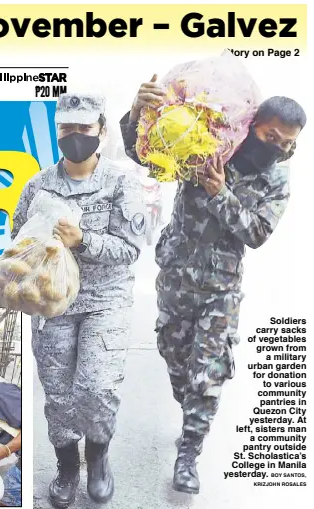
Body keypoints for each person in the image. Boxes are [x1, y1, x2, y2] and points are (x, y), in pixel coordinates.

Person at [121, 77, 306, 494]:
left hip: (222, 288)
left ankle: (189, 452)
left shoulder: (276, 179)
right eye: (269, 134)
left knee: (208, 373)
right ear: (254, 123)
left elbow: (257, 233)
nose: (275, 145)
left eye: (285, 141)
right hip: (176, 274)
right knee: (174, 356)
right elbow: (147, 157)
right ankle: (189, 407)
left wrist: (221, 193)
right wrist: (136, 113)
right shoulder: (209, 141)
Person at [12, 93, 145, 507]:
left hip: (106, 299)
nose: (75, 137)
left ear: (101, 131)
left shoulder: (122, 183)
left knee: (97, 386)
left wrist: (83, 241)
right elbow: (18, 242)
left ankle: (99, 458)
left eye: (83, 129)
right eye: (66, 129)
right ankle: (67, 465)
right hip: (53, 303)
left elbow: (131, 248)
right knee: (59, 392)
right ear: (58, 133)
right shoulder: (38, 186)